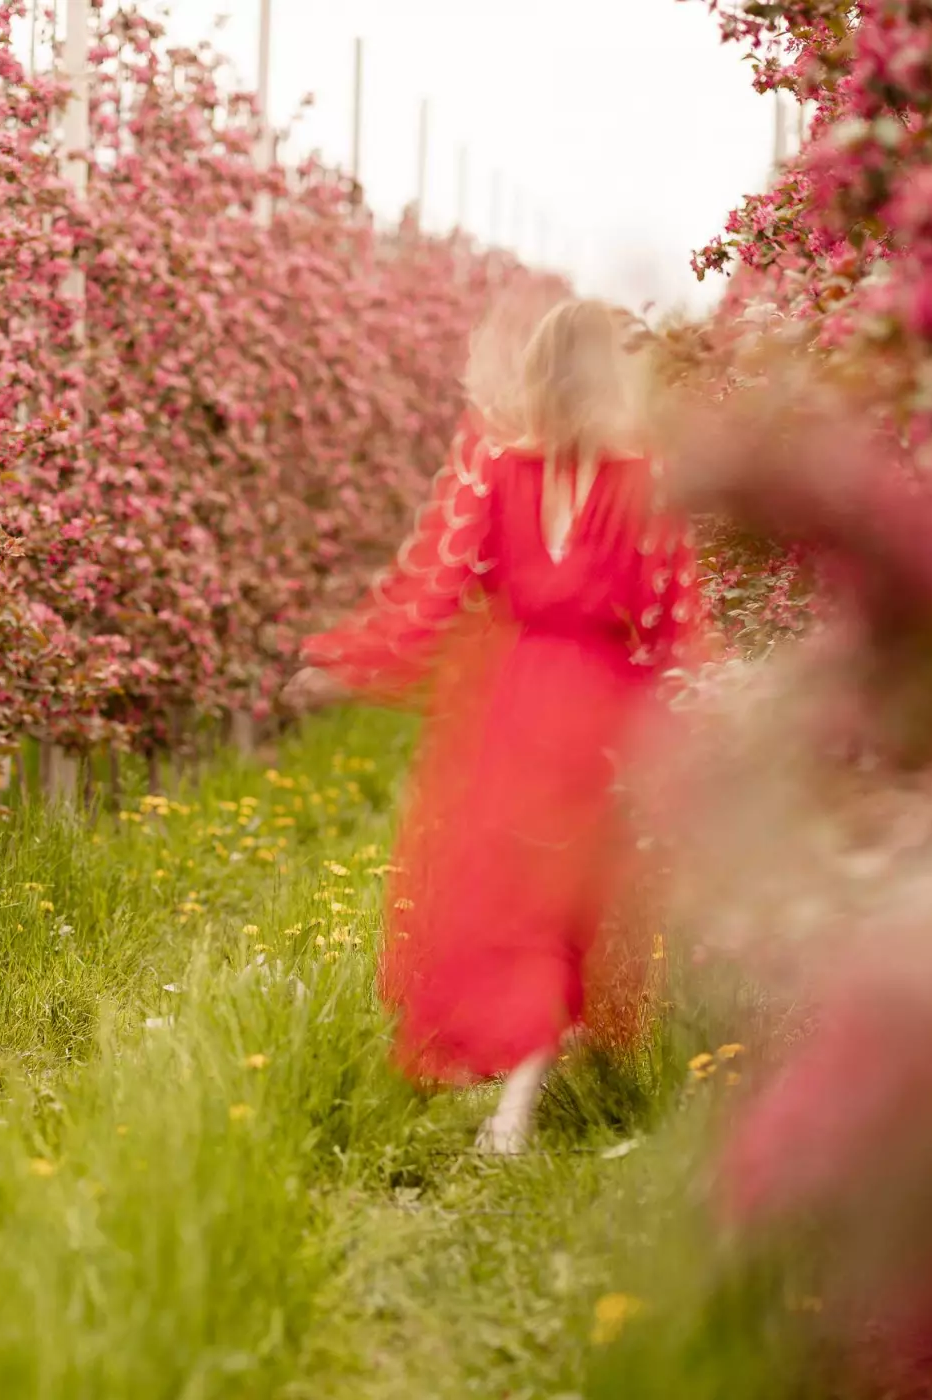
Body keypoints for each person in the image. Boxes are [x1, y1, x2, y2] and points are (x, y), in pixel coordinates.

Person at [283, 294, 701, 1155]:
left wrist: (348, 665)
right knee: (565, 902)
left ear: (539, 376)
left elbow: (433, 596)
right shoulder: (646, 483)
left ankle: (517, 1099)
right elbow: (671, 621)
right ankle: (524, 1097)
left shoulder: (500, 472)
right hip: (601, 710)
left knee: (512, 899)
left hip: (513, 706)